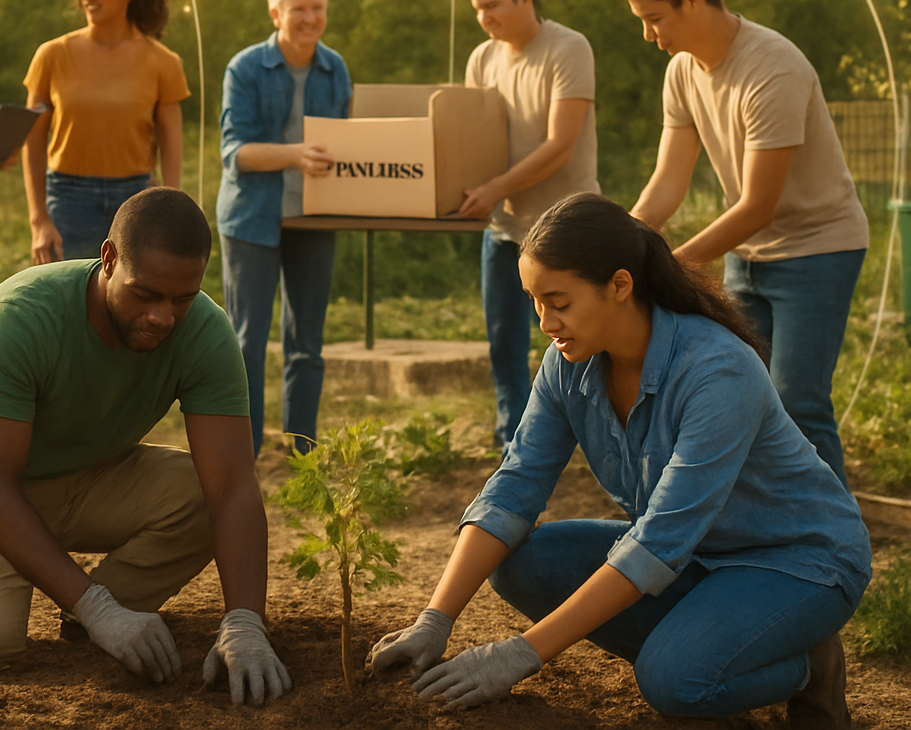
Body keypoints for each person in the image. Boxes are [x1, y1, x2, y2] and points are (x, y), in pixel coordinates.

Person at [369, 193, 870, 729]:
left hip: (797, 563)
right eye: (535, 301)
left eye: (559, 302)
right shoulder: (568, 363)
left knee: (673, 682)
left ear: (620, 285)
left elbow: (659, 540)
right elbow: (515, 485)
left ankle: (805, 668)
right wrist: (435, 619)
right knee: (522, 564)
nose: (545, 322)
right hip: (696, 557)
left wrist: (520, 653)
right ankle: (712, 644)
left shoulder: (717, 370)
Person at [0, 187, 289, 705]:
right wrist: (99, 608)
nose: (163, 316)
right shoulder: (22, 313)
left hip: (96, 476)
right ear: (109, 259)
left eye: (182, 298)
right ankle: (89, 605)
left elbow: (232, 489)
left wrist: (245, 621)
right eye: (146, 294)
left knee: (204, 493)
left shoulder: (205, 331)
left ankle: (89, 612)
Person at [620, 0, 869, 485]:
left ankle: (831, 530)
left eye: (654, 18)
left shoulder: (773, 67)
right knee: (742, 398)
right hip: (746, 257)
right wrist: (620, 242)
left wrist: (667, 267)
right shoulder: (682, 72)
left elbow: (758, 205)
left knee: (798, 401)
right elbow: (667, 183)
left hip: (818, 250)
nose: (648, 35)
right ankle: (765, 524)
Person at [453, 0, 599, 449]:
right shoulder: (482, 58)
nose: (484, 17)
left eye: (492, 5)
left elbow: (560, 146)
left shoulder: (568, 48)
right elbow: (471, 140)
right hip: (504, 229)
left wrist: (493, 188)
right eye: (477, 8)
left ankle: (590, 438)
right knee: (504, 343)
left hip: (566, 230)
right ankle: (513, 444)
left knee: (578, 341)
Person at [216, 0, 351, 455]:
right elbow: (235, 153)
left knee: (307, 344)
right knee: (246, 342)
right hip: (251, 217)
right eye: (299, 9)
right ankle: (244, 453)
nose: (310, 18)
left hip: (314, 217)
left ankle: (302, 453)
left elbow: (348, 143)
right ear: (276, 13)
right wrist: (295, 155)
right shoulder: (245, 68)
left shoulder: (335, 68)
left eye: (318, 8)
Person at [23, 0, 190, 264]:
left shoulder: (164, 62)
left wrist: (170, 210)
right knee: (71, 293)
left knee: (133, 293)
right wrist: (38, 219)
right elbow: (33, 139)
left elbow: (171, 141)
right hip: (68, 200)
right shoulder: (51, 55)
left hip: (135, 199)